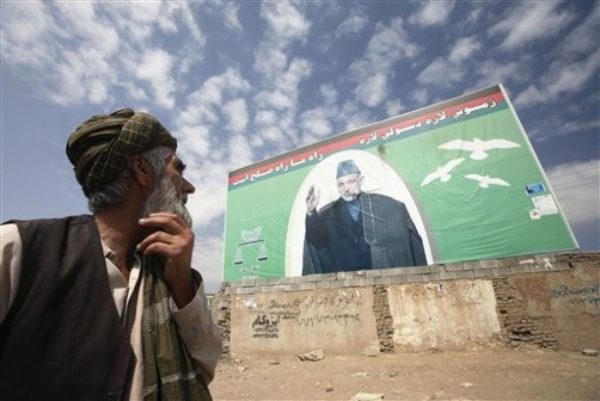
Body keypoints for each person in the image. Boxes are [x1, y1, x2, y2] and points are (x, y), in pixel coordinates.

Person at [0, 109, 221, 401]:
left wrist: (181, 282)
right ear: (142, 169)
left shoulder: (164, 271)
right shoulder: (18, 250)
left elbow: (207, 360)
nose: (189, 186)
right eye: (177, 169)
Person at [303, 159, 427, 275]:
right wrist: (311, 212)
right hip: (345, 280)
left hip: (378, 275)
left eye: (351, 182)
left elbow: (406, 240)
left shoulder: (386, 206)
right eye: (341, 184)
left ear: (360, 180)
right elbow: (317, 241)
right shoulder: (328, 213)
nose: (346, 188)